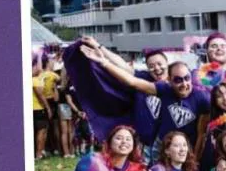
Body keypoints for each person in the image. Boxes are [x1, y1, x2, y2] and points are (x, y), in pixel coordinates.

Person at [81, 46, 211, 160]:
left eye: (187, 78)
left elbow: (202, 133)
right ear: (170, 81)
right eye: (178, 80)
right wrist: (103, 62)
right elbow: (132, 81)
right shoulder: (164, 89)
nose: (184, 84)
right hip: (161, 146)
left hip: (185, 148)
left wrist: (195, 158)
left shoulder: (201, 97)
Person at [79, 38, 168, 157]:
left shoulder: (177, 84)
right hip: (142, 144)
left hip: (166, 146)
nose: (156, 68)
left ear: (167, 63)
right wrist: (98, 46)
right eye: (151, 66)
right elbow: (121, 65)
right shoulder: (143, 78)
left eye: (159, 64)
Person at [31, 55, 53, 160]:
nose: (40, 68)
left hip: (37, 108)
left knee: (43, 130)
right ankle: (38, 154)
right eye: (37, 66)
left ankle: (41, 151)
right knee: (41, 131)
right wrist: (48, 108)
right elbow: (41, 96)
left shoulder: (37, 78)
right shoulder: (34, 80)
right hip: (38, 108)